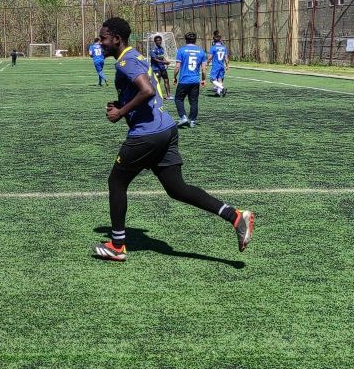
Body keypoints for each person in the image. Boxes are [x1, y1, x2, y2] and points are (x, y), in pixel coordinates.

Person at [91, 18, 253, 262]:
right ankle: (235, 216)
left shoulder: (125, 62)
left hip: (147, 134)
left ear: (117, 39)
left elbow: (147, 91)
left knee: (116, 182)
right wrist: (122, 103)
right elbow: (145, 91)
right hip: (165, 129)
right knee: (177, 189)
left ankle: (117, 246)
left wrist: (120, 112)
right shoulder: (134, 56)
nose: (100, 43)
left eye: (103, 38)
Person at [173, 32, 205, 126]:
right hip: (195, 81)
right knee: (194, 101)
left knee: (178, 99)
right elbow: (204, 69)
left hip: (184, 81)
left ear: (186, 40)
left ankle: (183, 117)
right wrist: (203, 79)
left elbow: (177, 67)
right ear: (195, 40)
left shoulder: (181, 50)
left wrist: (174, 77)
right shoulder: (201, 51)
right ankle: (192, 121)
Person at [208, 31, 230, 97]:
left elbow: (210, 57)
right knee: (220, 79)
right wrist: (227, 66)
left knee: (212, 79)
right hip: (222, 66)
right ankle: (218, 93)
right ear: (220, 40)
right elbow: (226, 58)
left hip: (215, 66)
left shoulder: (213, 48)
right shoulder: (224, 48)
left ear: (214, 41)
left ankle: (222, 89)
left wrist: (207, 63)